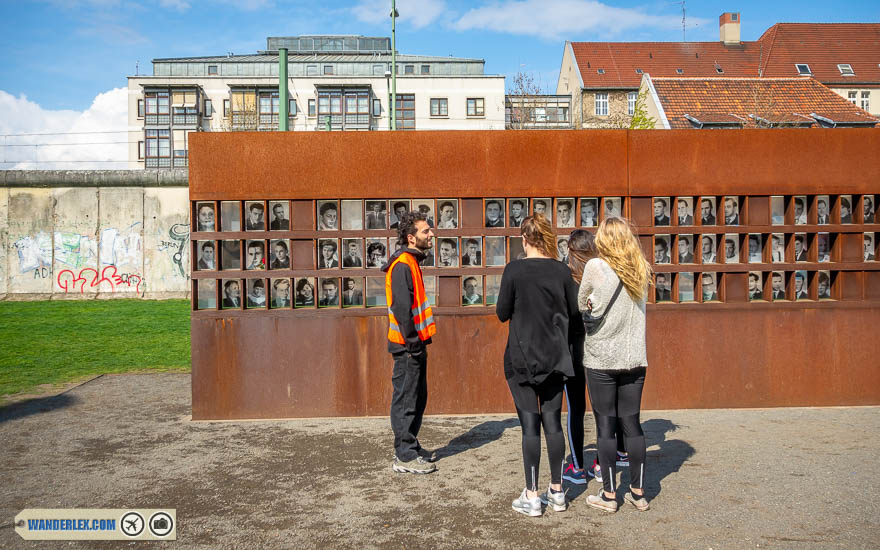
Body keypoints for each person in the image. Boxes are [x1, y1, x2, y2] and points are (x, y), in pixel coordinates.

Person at [496, 214, 580, 516]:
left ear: (523, 239)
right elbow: (575, 313)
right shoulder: (561, 271)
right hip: (556, 357)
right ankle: (557, 491)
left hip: (521, 357)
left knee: (529, 426)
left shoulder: (514, 270)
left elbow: (502, 312)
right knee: (553, 423)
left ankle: (531, 495)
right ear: (547, 238)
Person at [578, 217, 651, 513]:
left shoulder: (595, 266)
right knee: (632, 425)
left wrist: (593, 301)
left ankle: (609, 495)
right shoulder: (641, 268)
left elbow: (582, 302)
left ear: (604, 239)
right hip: (634, 357)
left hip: (601, 358)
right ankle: (638, 492)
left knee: (605, 427)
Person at [384, 210, 438, 474]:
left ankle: (411, 446)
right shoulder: (403, 265)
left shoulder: (411, 262)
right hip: (407, 347)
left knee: (417, 398)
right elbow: (401, 310)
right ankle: (404, 455)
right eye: (425, 231)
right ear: (411, 237)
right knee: (406, 400)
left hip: (413, 345)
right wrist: (414, 343)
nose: (431, 234)